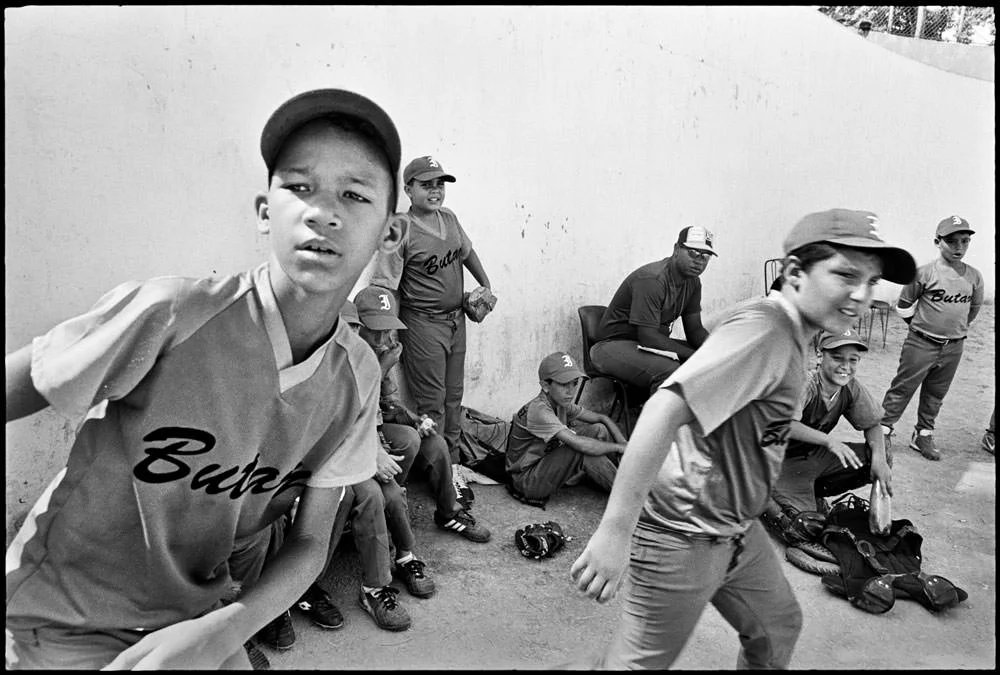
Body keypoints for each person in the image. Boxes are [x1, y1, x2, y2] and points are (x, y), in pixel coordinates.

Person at [4, 88, 405, 669]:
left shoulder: (358, 376)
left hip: (193, 619)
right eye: (299, 187)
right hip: (58, 619)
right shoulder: (174, 314)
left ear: (389, 234)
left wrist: (222, 633)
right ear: (265, 212)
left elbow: (313, 541)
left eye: (354, 193)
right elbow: (25, 383)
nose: (324, 211)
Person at [570, 208, 916, 669]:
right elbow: (660, 411)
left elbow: (710, 327)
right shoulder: (768, 331)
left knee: (776, 628)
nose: (860, 294)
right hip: (683, 533)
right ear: (795, 272)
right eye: (844, 275)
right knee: (639, 664)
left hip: (735, 528)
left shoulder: (784, 328)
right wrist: (614, 533)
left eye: (871, 281)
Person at [369, 155, 495, 458]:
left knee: (454, 397)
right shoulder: (399, 229)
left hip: (456, 320)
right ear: (409, 189)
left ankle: (451, 463)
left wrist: (486, 284)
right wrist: (390, 333)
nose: (435, 190)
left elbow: (467, 252)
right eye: (426, 185)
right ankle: (436, 465)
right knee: (432, 402)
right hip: (423, 324)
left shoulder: (449, 218)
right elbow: (386, 286)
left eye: (440, 184)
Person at [353, 284, 491, 542]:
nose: (382, 339)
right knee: (408, 440)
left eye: (387, 330)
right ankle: (389, 507)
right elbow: (357, 410)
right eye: (374, 331)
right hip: (358, 434)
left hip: (379, 427)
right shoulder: (347, 354)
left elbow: (389, 405)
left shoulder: (381, 348)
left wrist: (416, 420)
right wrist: (382, 368)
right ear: (356, 324)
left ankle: (449, 513)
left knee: (434, 441)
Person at [759, 329, 894, 544]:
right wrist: (829, 440)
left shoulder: (849, 386)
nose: (845, 366)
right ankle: (763, 499)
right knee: (803, 530)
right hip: (773, 462)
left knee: (877, 455)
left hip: (809, 458)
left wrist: (879, 458)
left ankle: (810, 493)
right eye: (837, 357)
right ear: (820, 355)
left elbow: (873, 425)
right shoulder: (803, 382)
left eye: (853, 360)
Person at [880, 215, 984, 461]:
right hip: (921, 342)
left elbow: (973, 310)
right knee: (903, 387)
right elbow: (904, 305)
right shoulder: (925, 273)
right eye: (951, 241)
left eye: (964, 241)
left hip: (953, 346)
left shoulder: (974, 276)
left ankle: (923, 434)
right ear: (938, 242)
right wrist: (921, 328)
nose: (959, 247)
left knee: (936, 393)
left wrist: (953, 331)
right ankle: (882, 430)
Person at [590, 226, 716, 399]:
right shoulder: (652, 280)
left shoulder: (693, 283)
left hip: (644, 346)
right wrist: (695, 356)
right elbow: (648, 337)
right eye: (693, 253)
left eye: (706, 256)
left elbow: (694, 331)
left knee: (714, 363)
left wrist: (717, 351)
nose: (699, 261)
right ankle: (657, 425)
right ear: (677, 249)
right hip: (611, 346)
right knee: (671, 371)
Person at [505, 351, 627, 505]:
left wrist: (623, 443)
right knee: (580, 450)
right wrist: (617, 448)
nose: (571, 391)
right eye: (563, 384)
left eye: (574, 383)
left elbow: (601, 418)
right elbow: (580, 445)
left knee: (598, 429)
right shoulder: (539, 410)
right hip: (527, 480)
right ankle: (630, 496)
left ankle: (620, 475)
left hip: (547, 462)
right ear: (545, 386)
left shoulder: (561, 402)